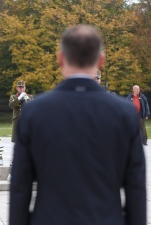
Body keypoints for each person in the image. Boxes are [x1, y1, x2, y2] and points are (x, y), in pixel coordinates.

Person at [10, 25, 146, 225]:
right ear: (101, 60)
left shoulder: (35, 112)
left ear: (61, 59)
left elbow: (21, 187)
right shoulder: (124, 113)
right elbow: (135, 187)